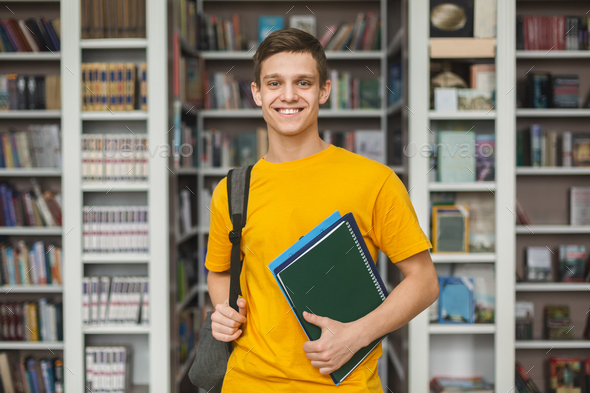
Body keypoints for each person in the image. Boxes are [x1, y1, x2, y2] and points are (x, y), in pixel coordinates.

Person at [205, 28, 439, 393]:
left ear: (324, 90)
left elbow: (424, 282)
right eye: (273, 83)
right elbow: (219, 272)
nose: (288, 95)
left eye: (303, 82)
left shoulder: (374, 180)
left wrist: (356, 335)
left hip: (344, 386)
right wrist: (224, 313)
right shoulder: (232, 191)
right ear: (256, 93)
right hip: (247, 383)